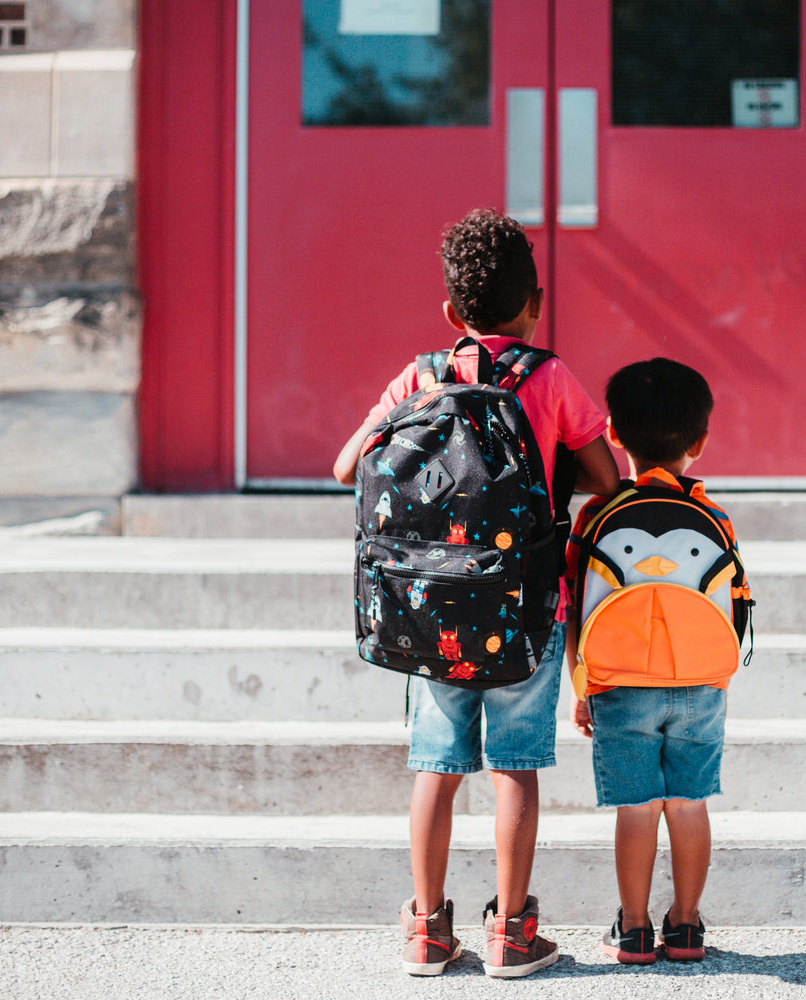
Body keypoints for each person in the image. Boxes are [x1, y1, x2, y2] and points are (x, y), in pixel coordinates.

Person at [333, 209, 619, 978]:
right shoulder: (549, 377)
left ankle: (426, 929)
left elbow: (343, 467)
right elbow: (606, 481)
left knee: (435, 765)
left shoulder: (420, 376)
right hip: (528, 609)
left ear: (453, 315)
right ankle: (513, 934)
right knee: (514, 766)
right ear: (538, 303)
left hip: (428, 616)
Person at [566, 358, 737, 965]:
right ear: (700, 441)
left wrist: (582, 687)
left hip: (620, 685)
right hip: (699, 683)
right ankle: (686, 926)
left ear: (613, 432)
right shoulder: (714, 519)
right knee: (689, 805)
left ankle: (635, 929)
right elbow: (727, 606)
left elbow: (580, 609)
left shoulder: (595, 518)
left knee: (636, 810)